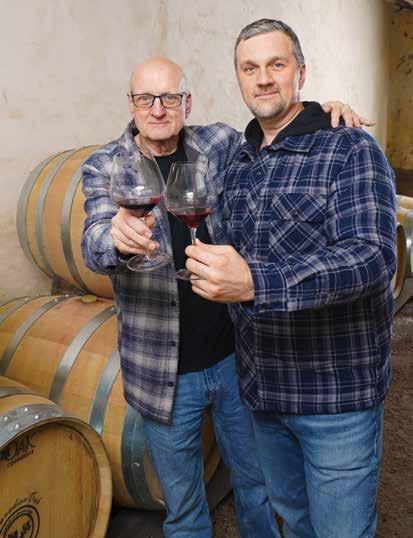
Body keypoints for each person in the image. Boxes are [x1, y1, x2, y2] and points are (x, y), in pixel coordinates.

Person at [81, 56, 371, 538]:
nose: (158, 109)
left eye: (170, 97)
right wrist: (114, 238)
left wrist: (320, 114)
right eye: (145, 98)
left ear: (187, 102)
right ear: (131, 105)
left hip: (235, 359)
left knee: (257, 488)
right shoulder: (105, 165)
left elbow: (274, 135)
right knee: (184, 507)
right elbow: (93, 240)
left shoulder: (217, 143)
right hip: (161, 371)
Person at [186, 19, 396, 538]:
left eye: (276, 65)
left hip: (334, 397)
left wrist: (257, 283)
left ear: (300, 73)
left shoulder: (349, 149)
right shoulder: (238, 161)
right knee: (295, 522)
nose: (263, 78)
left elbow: (371, 258)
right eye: (249, 68)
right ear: (238, 77)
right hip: (263, 391)